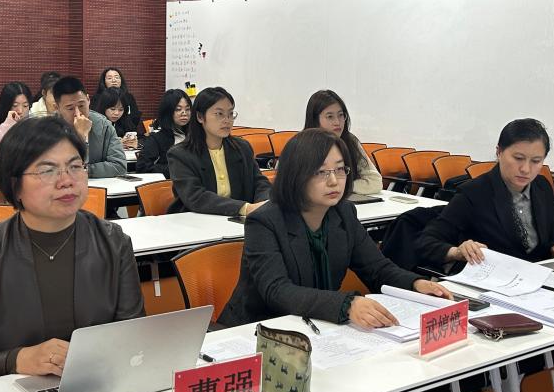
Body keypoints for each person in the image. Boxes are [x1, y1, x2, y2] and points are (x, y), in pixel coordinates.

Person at [0, 117, 144, 388]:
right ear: (15, 184)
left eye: (75, 166)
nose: (66, 181)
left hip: (97, 391)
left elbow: (132, 342)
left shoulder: (113, 242)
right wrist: (15, 360)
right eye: (47, 170)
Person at [218, 129, 454, 327]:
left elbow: (377, 268)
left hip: (319, 326)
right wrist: (346, 304)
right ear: (295, 175)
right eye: (321, 172)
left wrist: (415, 284)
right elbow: (278, 291)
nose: (334, 181)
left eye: (340, 170)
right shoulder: (264, 221)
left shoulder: (343, 213)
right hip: (258, 330)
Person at [416, 118, 554, 268]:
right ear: (499, 152)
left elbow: (549, 242)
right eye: (518, 158)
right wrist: (457, 252)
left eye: (536, 161)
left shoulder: (542, 187)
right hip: (492, 280)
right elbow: (425, 243)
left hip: (537, 277)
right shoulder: (473, 194)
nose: (526, 169)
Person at [166, 86, 271, 215]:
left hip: (238, 220)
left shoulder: (242, 148)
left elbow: (259, 182)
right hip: (198, 220)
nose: (227, 120)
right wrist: (245, 208)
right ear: (200, 117)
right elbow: (196, 197)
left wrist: (264, 204)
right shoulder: (180, 154)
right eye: (219, 114)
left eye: (230, 114)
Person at [303, 90, 382, 195]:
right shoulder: (302, 145)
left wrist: (343, 187)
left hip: (347, 200)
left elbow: (375, 181)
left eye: (341, 115)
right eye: (330, 117)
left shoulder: (351, 141)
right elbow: (302, 186)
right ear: (315, 120)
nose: (337, 122)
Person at [52, 76, 126, 178]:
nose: (78, 113)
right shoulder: (48, 129)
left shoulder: (103, 125)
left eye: (81, 106)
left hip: (97, 186)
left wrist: (85, 170)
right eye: (70, 108)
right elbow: (54, 170)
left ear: (88, 99)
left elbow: (120, 166)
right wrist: (81, 136)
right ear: (57, 108)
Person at [135, 89, 191, 177]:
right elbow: (142, 168)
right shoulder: (156, 138)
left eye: (187, 109)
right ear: (168, 111)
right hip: (169, 182)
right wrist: (176, 169)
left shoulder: (195, 135)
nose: (184, 113)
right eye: (178, 109)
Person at [0, 82, 32, 156]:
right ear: (5, 105)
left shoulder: (33, 124)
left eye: (25, 106)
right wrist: (8, 123)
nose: (20, 111)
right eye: (15, 105)